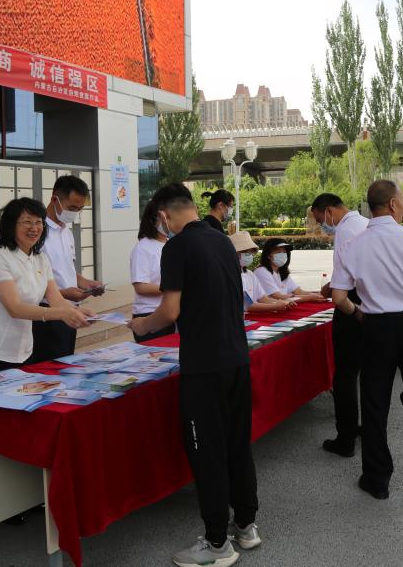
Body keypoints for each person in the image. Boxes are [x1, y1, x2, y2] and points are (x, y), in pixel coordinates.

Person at [127, 184, 259, 567]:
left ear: (164, 215)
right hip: (237, 359)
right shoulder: (222, 242)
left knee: (206, 452)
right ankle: (246, 525)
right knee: (237, 444)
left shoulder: (177, 247)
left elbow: (169, 311)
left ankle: (217, 544)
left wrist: (141, 325)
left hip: (204, 367)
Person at [331, 180, 403, 500]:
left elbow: (338, 297)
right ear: (393, 204)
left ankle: (377, 478)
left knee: (375, 402)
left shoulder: (353, 245)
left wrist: (358, 313)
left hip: (376, 327)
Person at [0, 198, 91, 376]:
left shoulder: (41, 259)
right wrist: (63, 314)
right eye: (27, 222)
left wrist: (78, 312)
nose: (34, 228)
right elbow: (15, 308)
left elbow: (56, 299)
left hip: (23, 347)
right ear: (11, 225)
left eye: (38, 222)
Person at [311, 192, 369, 458]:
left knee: (345, 374)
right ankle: (364, 427)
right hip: (372, 301)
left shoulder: (345, 230)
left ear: (329, 211)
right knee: (365, 372)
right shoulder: (364, 223)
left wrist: (335, 293)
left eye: (319, 219)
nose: (322, 225)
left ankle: (345, 438)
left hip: (352, 306)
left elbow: (344, 282)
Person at [33, 175, 101, 362]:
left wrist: (88, 284)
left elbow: (67, 269)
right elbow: (30, 279)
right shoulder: (37, 232)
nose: (75, 213)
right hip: (46, 312)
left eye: (79, 209)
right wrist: (63, 293)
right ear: (54, 199)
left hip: (70, 310)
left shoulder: (66, 232)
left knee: (65, 362)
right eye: (71, 208)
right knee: (49, 366)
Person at [130, 199, 174, 341]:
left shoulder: (172, 244)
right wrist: (173, 288)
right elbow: (141, 287)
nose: (168, 222)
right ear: (153, 220)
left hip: (169, 311)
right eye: (164, 218)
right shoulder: (143, 247)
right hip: (149, 313)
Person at [229, 231, 298, 314]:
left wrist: (284, 303)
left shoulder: (249, 274)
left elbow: (263, 298)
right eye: (245, 252)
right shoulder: (231, 276)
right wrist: (275, 306)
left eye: (250, 252)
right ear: (233, 253)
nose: (249, 255)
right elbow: (248, 305)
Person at [254, 238, 326, 303]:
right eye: (278, 252)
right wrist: (311, 297)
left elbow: (298, 291)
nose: (282, 254)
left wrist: (318, 295)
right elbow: (278, 297)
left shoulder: (282, 272)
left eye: (284, 252)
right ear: (268, 255)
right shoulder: (262, 271)